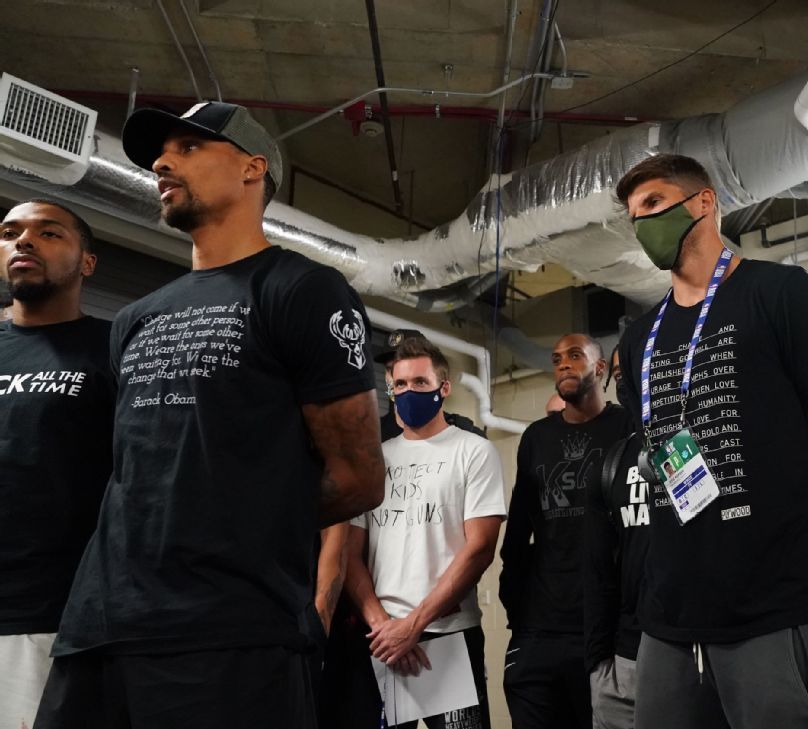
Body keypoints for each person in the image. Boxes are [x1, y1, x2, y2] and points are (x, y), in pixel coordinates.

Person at [34, 101, 385, 729]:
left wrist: (231, 526)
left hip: (229, 630)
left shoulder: (302, 290)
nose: (163, 163)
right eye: (161, 154)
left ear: (253, 168)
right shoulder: (136, 319)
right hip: (99, 626)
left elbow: (359, 476)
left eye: (190, 148)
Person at [614, 154, 808, 729]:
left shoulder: (782, 294)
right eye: (634, 216)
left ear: (703, 202)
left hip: (778, 609)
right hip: (670, 620)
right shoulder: (639, 341)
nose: (643, 223)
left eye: (654, 204)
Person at [346, 336, 506, 729]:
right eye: (399, 385)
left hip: (448, 636)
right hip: (380, 641)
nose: (408, 392)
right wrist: (385, 627)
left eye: (419, 382)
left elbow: (481, 548)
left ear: (443, 388)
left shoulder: (473, 451)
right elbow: (348, 557)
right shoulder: (375, 459)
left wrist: (413, 626)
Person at [0, 200, 114, 729]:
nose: (23, 242)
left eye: (48, 233)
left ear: (86, 263)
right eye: (9, 232)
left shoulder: (113, 350)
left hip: (49, 616)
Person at [500, 333, 632, 729]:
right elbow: (517, 534)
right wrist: (518, 612)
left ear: (601, 368)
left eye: (575, 356)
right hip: (540, 628)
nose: (563, 364)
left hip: (606, 629)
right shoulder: (537, 438)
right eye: (557, 358)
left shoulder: (628, 427)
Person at [584, 347, 648, 729]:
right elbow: (597, 572)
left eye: (636, 368)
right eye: (619, 374)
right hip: (625, 664)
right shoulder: (611, 464)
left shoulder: (703, 444)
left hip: (696, 654)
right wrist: (598, 663)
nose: (627, 381)